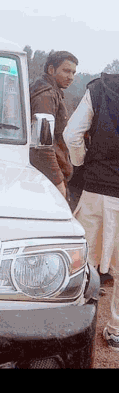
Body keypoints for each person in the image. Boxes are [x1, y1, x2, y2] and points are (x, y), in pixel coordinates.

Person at [63, 73, 119, 350]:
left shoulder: (101, 88)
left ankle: (70, 328)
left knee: (79, 262)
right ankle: (117, 332)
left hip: (96, 189)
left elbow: (71, 134)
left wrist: (82, 164)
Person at [29, 51, 78, 200]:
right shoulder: (46, 96)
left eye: (73, 73)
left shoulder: (51, 92)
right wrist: (58, 181)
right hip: (46, 178)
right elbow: (43, 146)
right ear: (51, 70)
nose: (71, 77)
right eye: (66, 71)